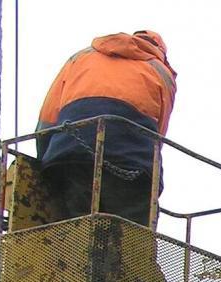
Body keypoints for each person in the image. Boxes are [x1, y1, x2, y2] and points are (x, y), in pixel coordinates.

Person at [37, 31, 177, 226]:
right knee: (130, 240)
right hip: (132, 164)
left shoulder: (81, 58)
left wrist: (43, 159)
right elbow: (158, 134)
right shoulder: (161, 71)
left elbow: (47, 118)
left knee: (76, 230)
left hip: (70, 155)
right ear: (161, 52)